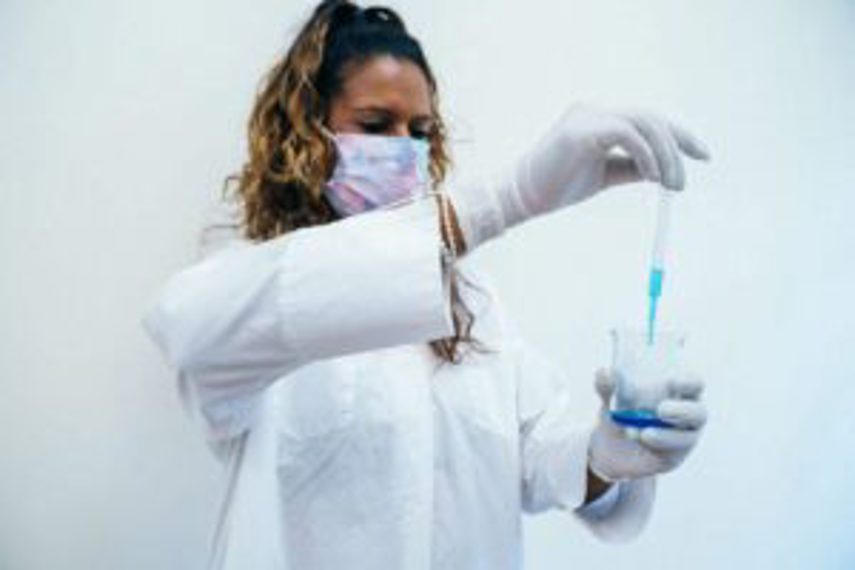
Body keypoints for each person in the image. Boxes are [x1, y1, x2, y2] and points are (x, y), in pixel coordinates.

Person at [141, 1, 710, 568]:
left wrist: (606, 454)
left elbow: (539, 461)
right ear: (307, 130)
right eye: (374, 125)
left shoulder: (470, 303)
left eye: (420, 131)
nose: (404, 148)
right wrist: (503, 201)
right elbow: (186, 327)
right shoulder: (250, 281)